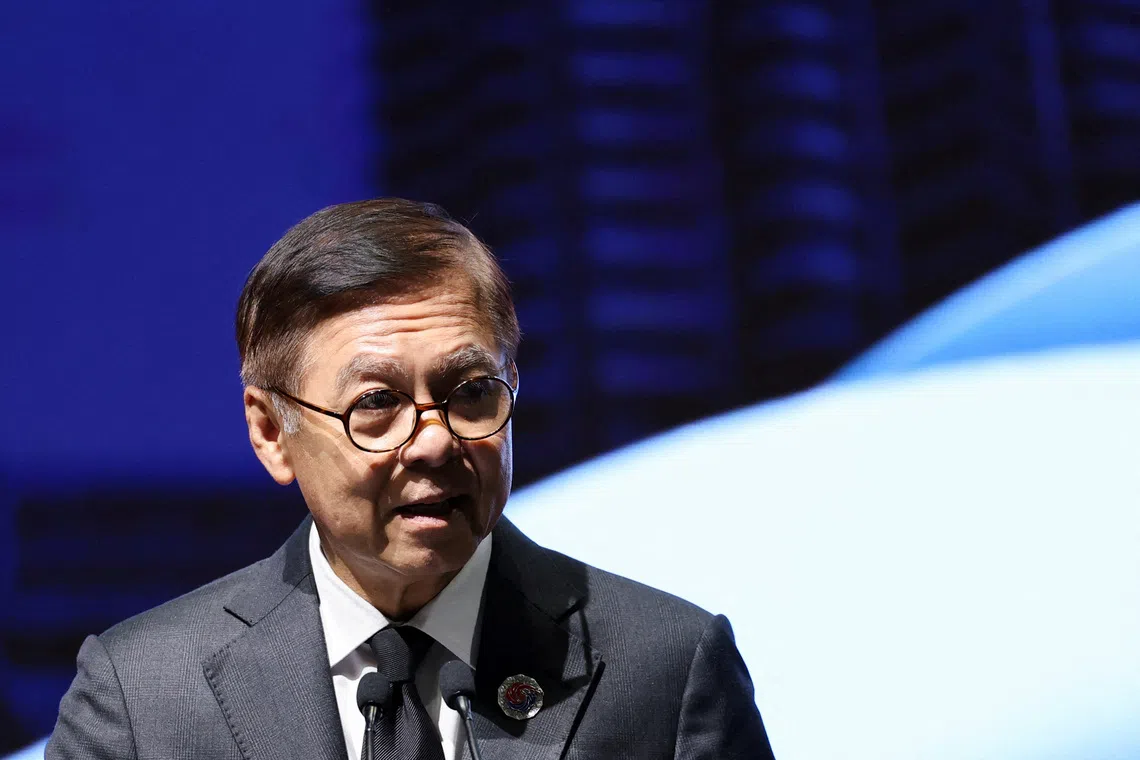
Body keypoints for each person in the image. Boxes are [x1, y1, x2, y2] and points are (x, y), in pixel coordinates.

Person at [46, 199, 775, 759]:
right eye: (377, 404)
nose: (433, 444)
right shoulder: (141, 698)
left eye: (471, 392)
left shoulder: (668, 666)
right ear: (271, 431)